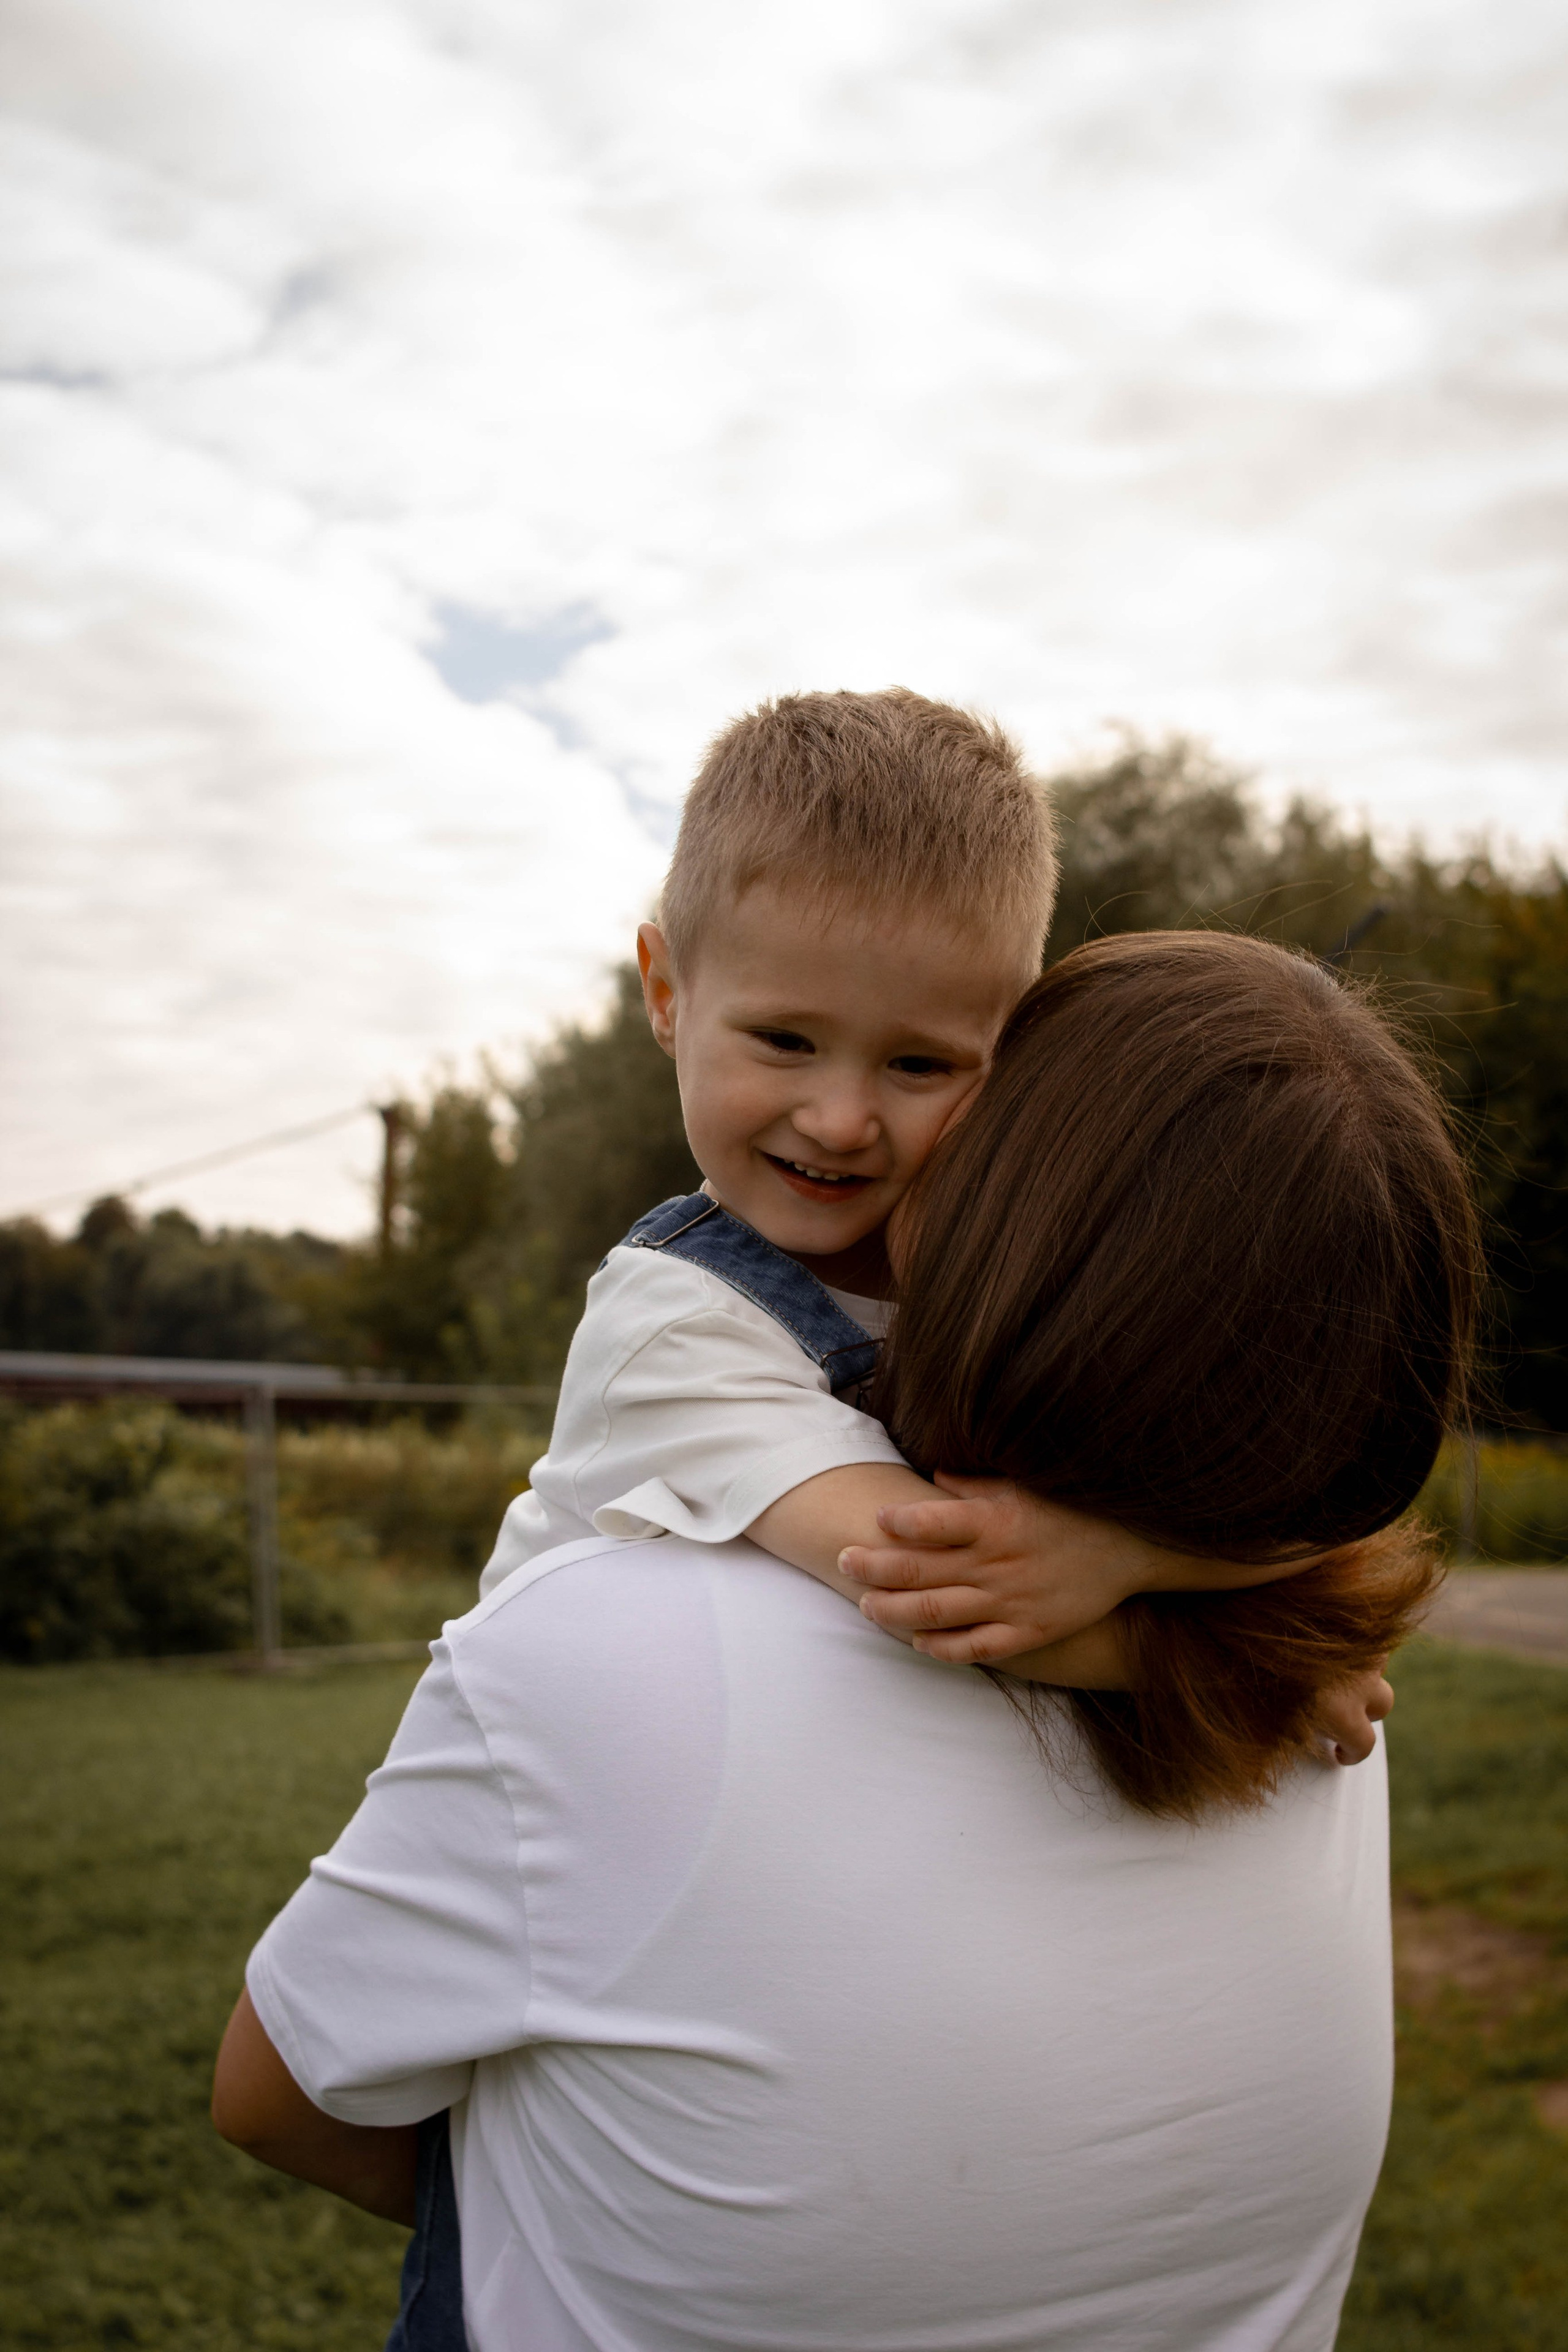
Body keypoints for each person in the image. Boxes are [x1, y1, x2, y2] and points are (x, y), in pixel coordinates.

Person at [213, 928, 1477, 2352]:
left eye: (943, 1080)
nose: (856, 1132)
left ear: (1013, 1198)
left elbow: (276, 2095)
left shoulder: (616, 1655)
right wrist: (1219, 1625)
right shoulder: (1322, 1697)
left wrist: (596, 2210)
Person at [478, 690, 1382, 1752]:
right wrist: (1248, 1663)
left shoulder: (1015, 1274)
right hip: (551, 1802)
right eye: (782, 1040)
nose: (842, 1119)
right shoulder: (675, 1328)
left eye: (920, 1063)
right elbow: (932, 1586)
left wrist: (1131, 1558)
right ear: (667, 991)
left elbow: (1321, 1489)